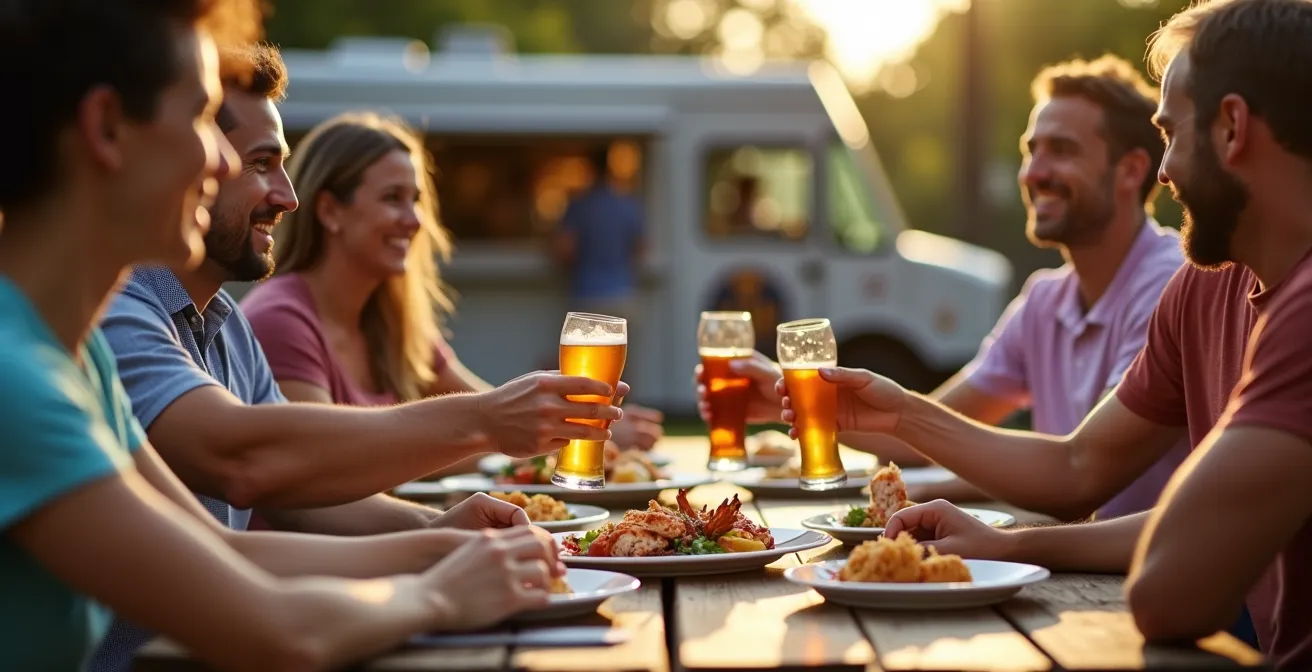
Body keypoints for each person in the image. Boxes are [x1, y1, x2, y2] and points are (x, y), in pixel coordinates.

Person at [0, 2, 563, 671]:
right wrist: (441, 592)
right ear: (106, 128)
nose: (219, 162)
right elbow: (277, 628)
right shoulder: (16, 378)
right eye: (200, 119)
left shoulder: (76, 352)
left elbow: (221, 548)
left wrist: (444, 544)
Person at [776, 1, 1312, 666]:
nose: (1164, 169)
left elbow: (1168, 594)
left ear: (1232, 127)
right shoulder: (1203, 289)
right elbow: (1080, 466)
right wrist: (905, 417)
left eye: (1171, 135)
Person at [696, 55, 1189, 522]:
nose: (1033, 173)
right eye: (1030, 150)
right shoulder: (1045, 299)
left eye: (1061, 151)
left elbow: (1076, 473)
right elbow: (927, 434)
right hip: (1076, 563)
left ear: (1131, 170)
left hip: (1134, 573)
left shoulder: (1166, 286)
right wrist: (797, 401)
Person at [239, 110, 662, 485]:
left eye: (416, 200)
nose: (414, 220)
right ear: (330, 211)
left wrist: (571, 432)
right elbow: (324, 471)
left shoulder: (391, 318)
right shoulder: (281, 319)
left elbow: (495, 425)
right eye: (392, 199)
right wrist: (552, 437)